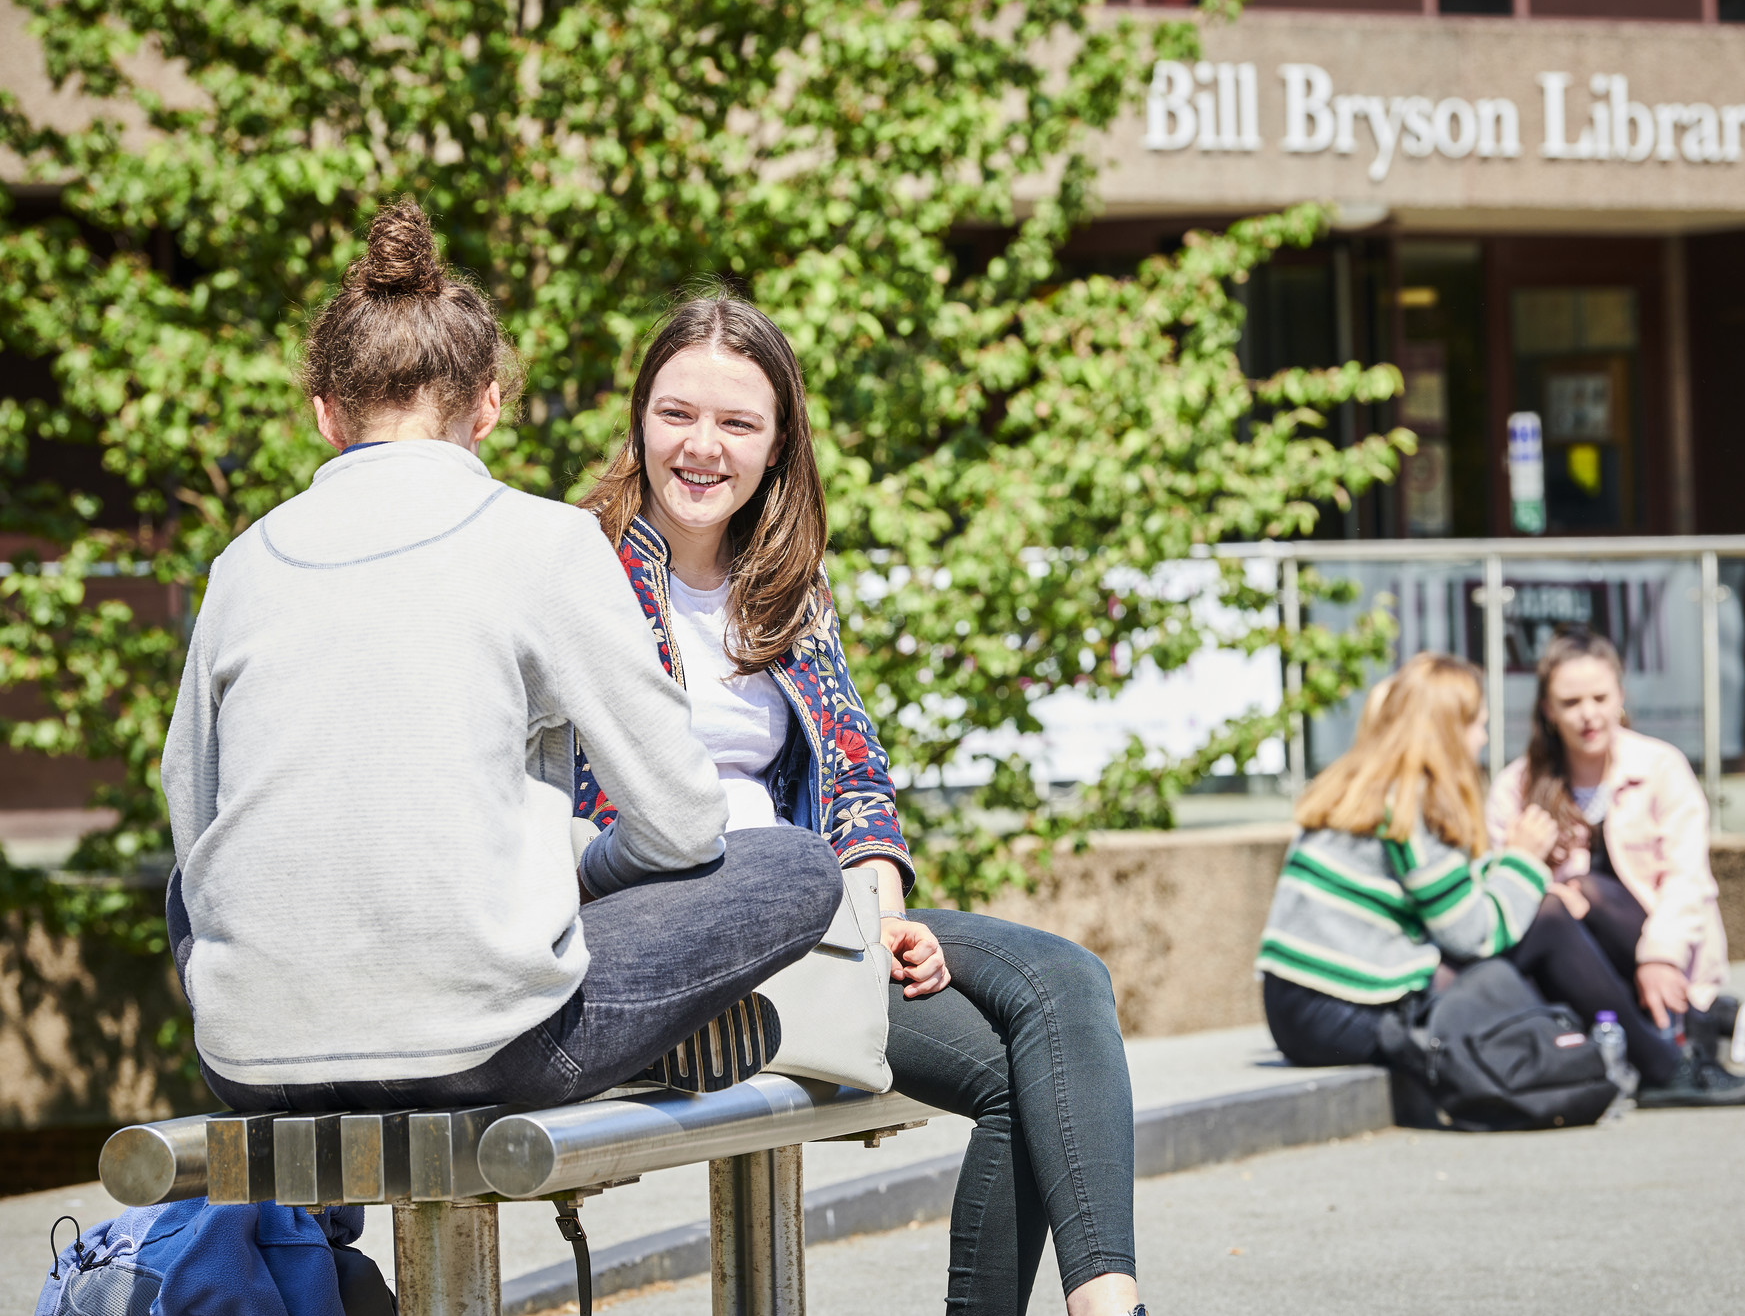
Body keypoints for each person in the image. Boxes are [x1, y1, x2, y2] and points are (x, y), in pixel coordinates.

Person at [160, 201, 841, 1113]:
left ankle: (317, 1234)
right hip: (486, 1052)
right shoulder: (547, 541)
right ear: (489, 404)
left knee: (189, 887)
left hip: (251, 1064)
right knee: (795, 865)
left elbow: (192, 819)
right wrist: (587, 870)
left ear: (325, 414)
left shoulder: (239, 565)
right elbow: (681, 822)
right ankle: (656, 1035)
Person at [570, 294, 1143, 1316]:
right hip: (675, 952)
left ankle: (1109, 1302)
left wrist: (881, 921)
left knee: (1063, 981)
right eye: (676, 414)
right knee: (1013, 1073)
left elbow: (854, 773)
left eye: (738, 423)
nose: (702, 447)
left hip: (813, 923)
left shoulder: (786, 584)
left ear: (779, 440)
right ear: (639, 419)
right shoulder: (573, 570)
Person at [1258, 651, 1745, 1107]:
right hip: (1344, 1014)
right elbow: (1473, 933)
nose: (1482, 738)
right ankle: (1664, 1068)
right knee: (1546, 921)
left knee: (1545, 918)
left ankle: (1655, 1052)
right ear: (1446, 730)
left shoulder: (1359, 788)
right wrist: (1524, 861)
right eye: (1477, 725)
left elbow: (1448, 903)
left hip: (1294, 1008)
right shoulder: (1411, 805)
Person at [1486, 629, 1745, 1106]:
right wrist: (1532, 870)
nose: (1589, 714)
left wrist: (1659, 955)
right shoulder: (1515, 787)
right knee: (1566, 898)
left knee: (1589, 889)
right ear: (1547, 709)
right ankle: (1669, 1067)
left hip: (1660, 947)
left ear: (1620, 695)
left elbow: (1688, 879)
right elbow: (1499, 890)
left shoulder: (1661, 767)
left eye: (1600, 697)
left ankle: (1686, 1046)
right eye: (1571, 701)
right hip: (1574, 960)